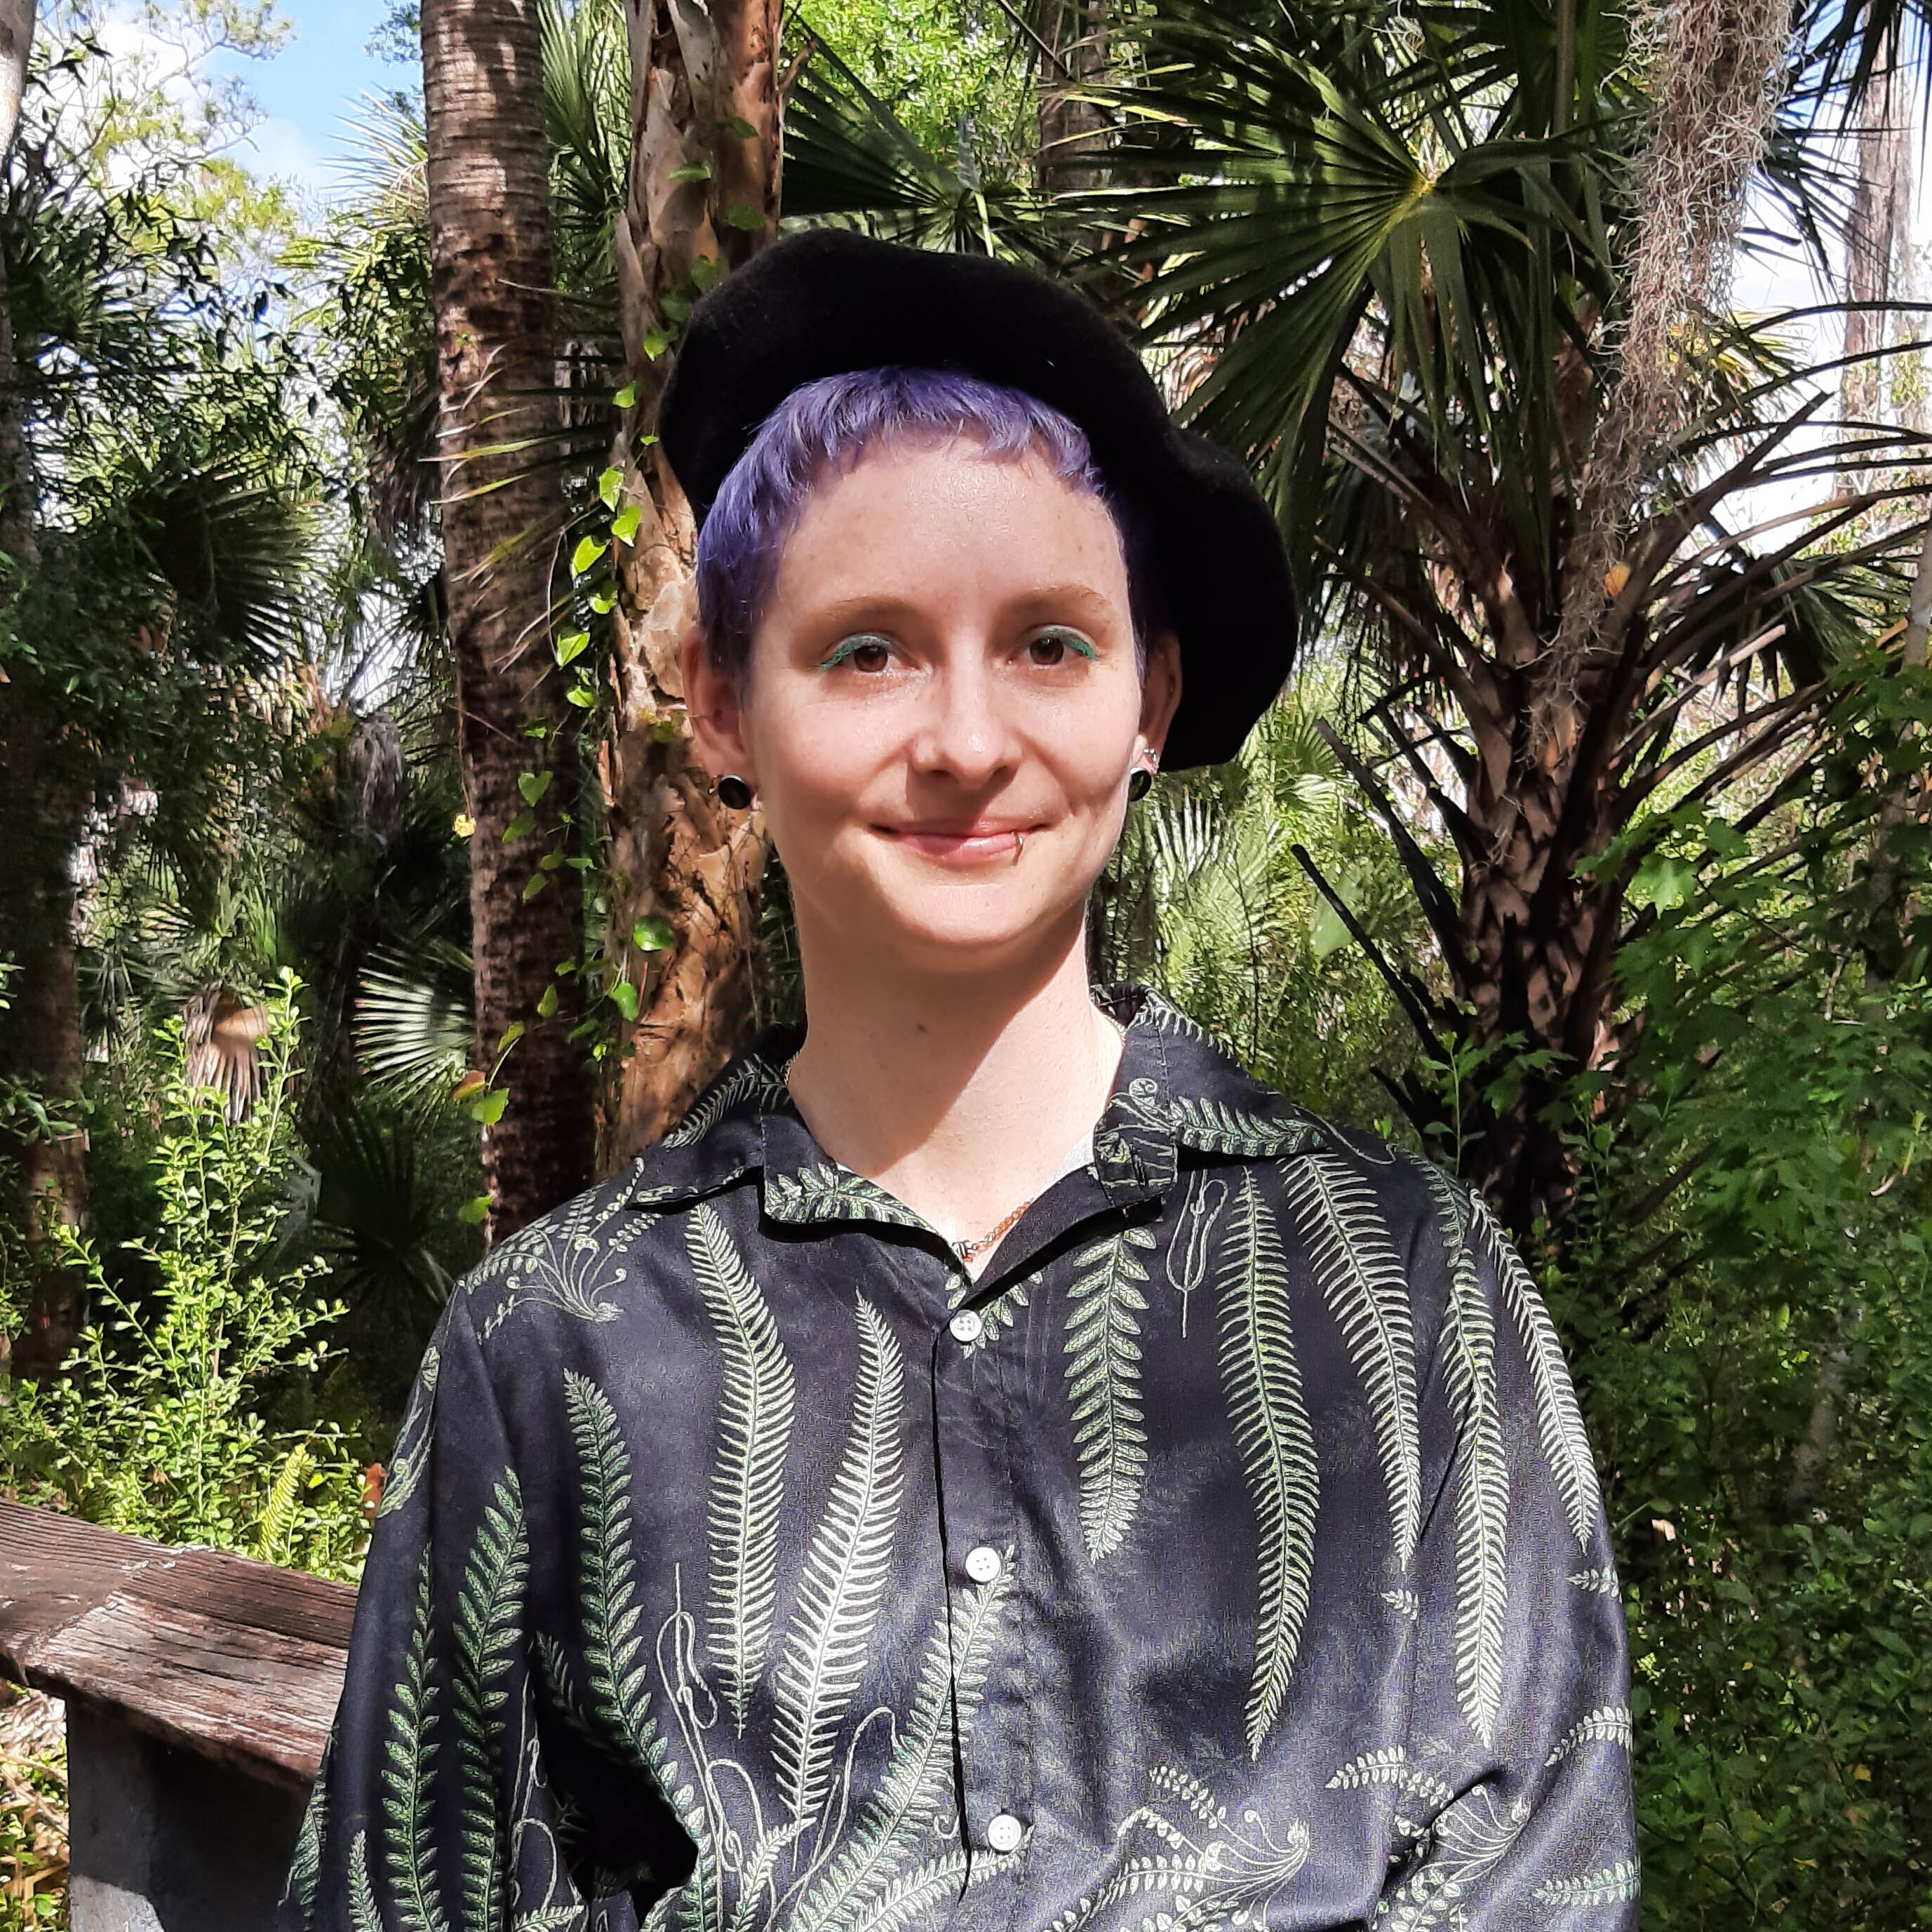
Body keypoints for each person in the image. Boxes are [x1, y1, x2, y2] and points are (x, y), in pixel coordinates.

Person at [280, 232, 1637, 1932]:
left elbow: (1540, 1876)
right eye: (867, 650)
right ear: (719, 703)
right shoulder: (550, 1347)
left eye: (1053, 646)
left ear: (1154, 696)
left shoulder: (1411, 1285)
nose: (968, 740)